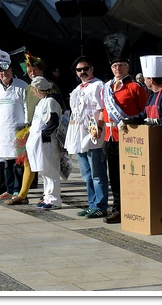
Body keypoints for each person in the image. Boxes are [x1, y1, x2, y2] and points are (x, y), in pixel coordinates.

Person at [5, 52, 65, 205]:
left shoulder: (51, 93)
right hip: (33, 132)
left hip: (46, 138)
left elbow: (56, 117)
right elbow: (26, 108)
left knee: (49, 169)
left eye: (35, 70)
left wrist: (46, 134)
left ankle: (50, 197)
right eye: (30, 71)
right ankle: (36, 195)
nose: (32, 73)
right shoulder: (32, 92)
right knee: (35, 165)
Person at [102, 33, 148, 224]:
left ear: (128, 67)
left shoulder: (135, 88)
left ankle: (133, 208)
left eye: (121, 65)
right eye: (114, 66)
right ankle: (117, 208)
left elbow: (145, 111)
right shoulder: (107, 87)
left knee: (131, 176)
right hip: (110, 137)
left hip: (128, 137)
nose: (117, 69)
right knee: (114, 176)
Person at [64, 55, 109, 219]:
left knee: (97, 172)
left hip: (93, 134)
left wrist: (99, 126)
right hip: (78, 134)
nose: (82, 72)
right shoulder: (77, 89)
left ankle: (101, 205)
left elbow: (104, 108)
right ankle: (92, 204)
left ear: (92, 69)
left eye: (85, 69)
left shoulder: (99, 86)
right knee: (86, 174)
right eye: (79, 70)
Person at [0, 45, 28, 200]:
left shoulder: (22, 86)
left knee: (18, 163)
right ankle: (9, 190)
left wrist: (27, 124)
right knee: (7, 164)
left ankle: (18, 191)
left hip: (19, 130)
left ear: (12, 71)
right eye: (1, 72)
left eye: (7, 71)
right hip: (4, 131)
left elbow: (26, 106)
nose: (4, 74)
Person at [25, 76, 63, 210]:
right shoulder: (42, 101)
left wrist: (42, 135)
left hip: (47, 142)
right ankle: (47, 197)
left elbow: (53, 121)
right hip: (39, 143)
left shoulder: (51, 101)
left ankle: (54, 199)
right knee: (44, 171)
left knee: (51, 171)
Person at [119, 55, 162, 127]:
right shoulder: (152, 97)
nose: (144, 82)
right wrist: (128, 120)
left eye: (145, 79)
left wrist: (157, 121)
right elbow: (143, 115)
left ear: (151, 80)